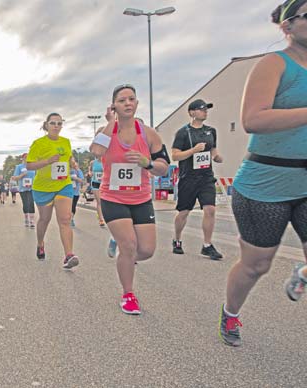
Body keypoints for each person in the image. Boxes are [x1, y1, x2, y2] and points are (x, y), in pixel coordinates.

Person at [220, 1, 307, 347]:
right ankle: (230, 312)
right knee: (257, 266)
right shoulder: (275, 63)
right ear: (287, 27)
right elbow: (253, 120)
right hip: (265, 184)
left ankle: (301, 273)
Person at [90, 85, 170, 315]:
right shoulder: (106, 133)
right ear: (113, 105)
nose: (127, 103)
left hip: (141, 198)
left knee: (146, 250)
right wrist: (109, 123)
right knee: (129, 246)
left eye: (131, 99)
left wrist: (147, 163)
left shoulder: (148, 134)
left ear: (136, 104)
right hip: (113, 197)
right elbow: (96, 151)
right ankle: (128, 294)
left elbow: (163, 168)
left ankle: (119, 248)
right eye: (122, 100)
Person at [171, 99, 224, 260]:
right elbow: (175, 155)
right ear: (192, 112)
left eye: (206, 109)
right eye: (202, 109)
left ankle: (207, 245)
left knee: (210, 209)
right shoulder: (183, 132)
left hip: (206, 177)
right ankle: (177, 239)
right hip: (188, 177)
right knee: (183, 212)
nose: (205, 111)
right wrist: (193, 150)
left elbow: (213, 149)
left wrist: (216, 156)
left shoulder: (211, 131)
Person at [26, 113, 79, 269]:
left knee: (65, 219)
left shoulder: (66, 142)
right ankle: (40, 243)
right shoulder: (38, 143)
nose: (56, 126)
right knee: (44, 219)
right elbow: (29, 165)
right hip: (43, 188)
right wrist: (48, 161)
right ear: (46, 125)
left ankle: (69, 255)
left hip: (63, 185)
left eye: (59, 123)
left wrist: (73, 162)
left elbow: (68, 158)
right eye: (53, 123)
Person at [13, 153, 36, 227]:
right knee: (25, 204)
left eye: (28, 157)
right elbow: (15, 178)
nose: (27, 158)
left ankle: (32, 221)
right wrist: (22, 175)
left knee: (31, 203)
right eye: (25, 157)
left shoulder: (32, 166)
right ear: (22, 158)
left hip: (31, 188)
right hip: (23, 188)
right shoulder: (19, 167)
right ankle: (26, 219)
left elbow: (36, 177)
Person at [90, 155, 106, 227]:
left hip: (105, 183)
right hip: (95, 183)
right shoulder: (93, 163)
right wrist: (90, 173)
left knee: (105, 202)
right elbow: (90, 170)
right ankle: (101, 220)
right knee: (99, 201)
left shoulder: (106, 161)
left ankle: (101, 214)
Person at [69, 157, 85, 227]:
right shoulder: (65, 170)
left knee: (73, 206)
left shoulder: (78, 171)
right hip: (66, 192)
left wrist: (75, 178)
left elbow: (82, 181)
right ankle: (67, 219)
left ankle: (71, 219)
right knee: (67, 207)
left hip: (75, 192)